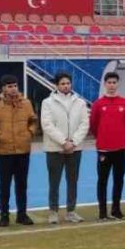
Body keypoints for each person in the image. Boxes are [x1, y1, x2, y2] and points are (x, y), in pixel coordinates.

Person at [0, 75, 38, 227]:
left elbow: (33, 121)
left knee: (22, 185)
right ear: (3, 89)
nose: (13, 89)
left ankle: (22, 214)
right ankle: (4, 216)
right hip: (5, 152)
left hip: (23, 150)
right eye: (9, 86)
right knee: (5, 185)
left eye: (14, 85)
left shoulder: (26, 103)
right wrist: (0, 136)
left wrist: (29, 133)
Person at [41, 72, 89, 224]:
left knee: (72, 180)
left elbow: (84, 124)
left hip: (75, 148)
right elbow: (47, 125)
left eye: (68, 83)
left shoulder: (80, 102)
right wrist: (63, 142)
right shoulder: (47, 102)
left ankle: (71, 211)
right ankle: (53, 211)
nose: (66, 86)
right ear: (57, 85)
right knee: (54, 181)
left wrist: (73, 142)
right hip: (55, 148)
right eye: (62, 83)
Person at [91, 72, 125, 220]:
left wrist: (121, 137)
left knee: (118, 179)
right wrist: (103, 138)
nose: (112, 85)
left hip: (120, 148)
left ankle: (116, 209)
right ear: (105, 84)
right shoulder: (98, 104)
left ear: (118, 84)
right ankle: (102, 212)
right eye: (109, 82)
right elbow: (94, 125)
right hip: (104, 149)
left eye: (114, 82)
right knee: (102, 180)